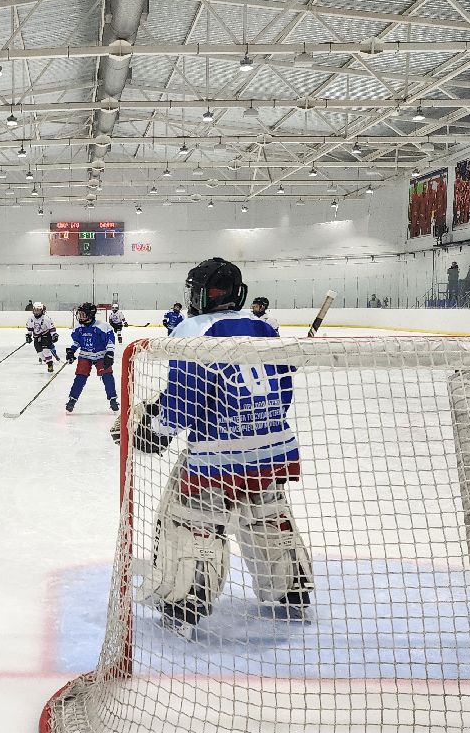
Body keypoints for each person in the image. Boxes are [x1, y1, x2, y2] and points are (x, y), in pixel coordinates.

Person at [118, 257, 312, 635]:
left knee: (192, 520)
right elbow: (282, 388)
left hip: (216, 457)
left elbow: (185, 397)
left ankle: (187, 599)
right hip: (273, 447)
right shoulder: (265, 328)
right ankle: (292, 588)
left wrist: (156, 429)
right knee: (266, 515)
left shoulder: (192, 329)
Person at [64, 302, 118, 413]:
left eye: (83, 314)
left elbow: (110, 341)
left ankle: (113, 399)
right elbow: (77, 342)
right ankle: (72, 400)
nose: (80, 316)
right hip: (85, 355)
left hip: (101, 355)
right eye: (80, 314)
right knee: (80, 377)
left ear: (90, 315)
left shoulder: (102, 326)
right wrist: (72, 350)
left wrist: (110, 353)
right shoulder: (79, 327)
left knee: (107, 376)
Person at [25, 301, 61, 373]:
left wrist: (54, 335)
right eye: (35, 310)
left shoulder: (46, 318)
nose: (36, 312)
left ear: (42, 310)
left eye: (38, 310)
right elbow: (30, 329)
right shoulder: (30, 318)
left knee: (46, 351)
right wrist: (28, 335)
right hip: (36, 337)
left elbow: (52, 328)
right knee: (40, 354)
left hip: (46, 335)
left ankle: (50, 365)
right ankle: (49, 362)